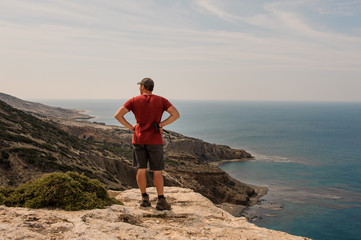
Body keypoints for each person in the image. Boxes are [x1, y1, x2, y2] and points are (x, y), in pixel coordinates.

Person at [114, 78, 180, 210]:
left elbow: (118, 115)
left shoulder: (134, 100)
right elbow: (175, 114)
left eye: (140, 86)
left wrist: (131, 127)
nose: (139, 88)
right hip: (155, 140)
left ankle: (144, 199)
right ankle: (161, 201)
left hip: (139, 139)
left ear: (143, 87)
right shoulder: (161, 100)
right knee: (157, 171)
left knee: (141, 169)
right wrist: (161, 124)